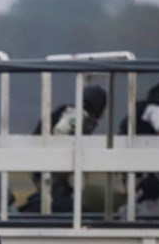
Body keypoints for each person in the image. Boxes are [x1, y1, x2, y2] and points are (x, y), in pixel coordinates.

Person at [20, 85, 107, 214]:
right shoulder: (77, 114)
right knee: (58, 200)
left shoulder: (72, 112)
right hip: (51, 167)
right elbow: (61, 132)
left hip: (47, 166)